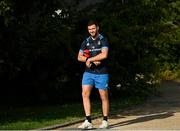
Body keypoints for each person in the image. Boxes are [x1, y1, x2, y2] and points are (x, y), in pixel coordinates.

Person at [77, 20, 110, 129]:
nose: (91, 31)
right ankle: (88, 121)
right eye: (90, 29)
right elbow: (79, 57)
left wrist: (90, 59)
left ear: (97, 28)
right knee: (85, 94)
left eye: (93, 28)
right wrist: (87, 59)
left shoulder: (103, 39)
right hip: (88, 73)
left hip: (102, 73)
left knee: (103, 96)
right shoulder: (86, 41)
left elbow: (104, 55)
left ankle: (105, 120)